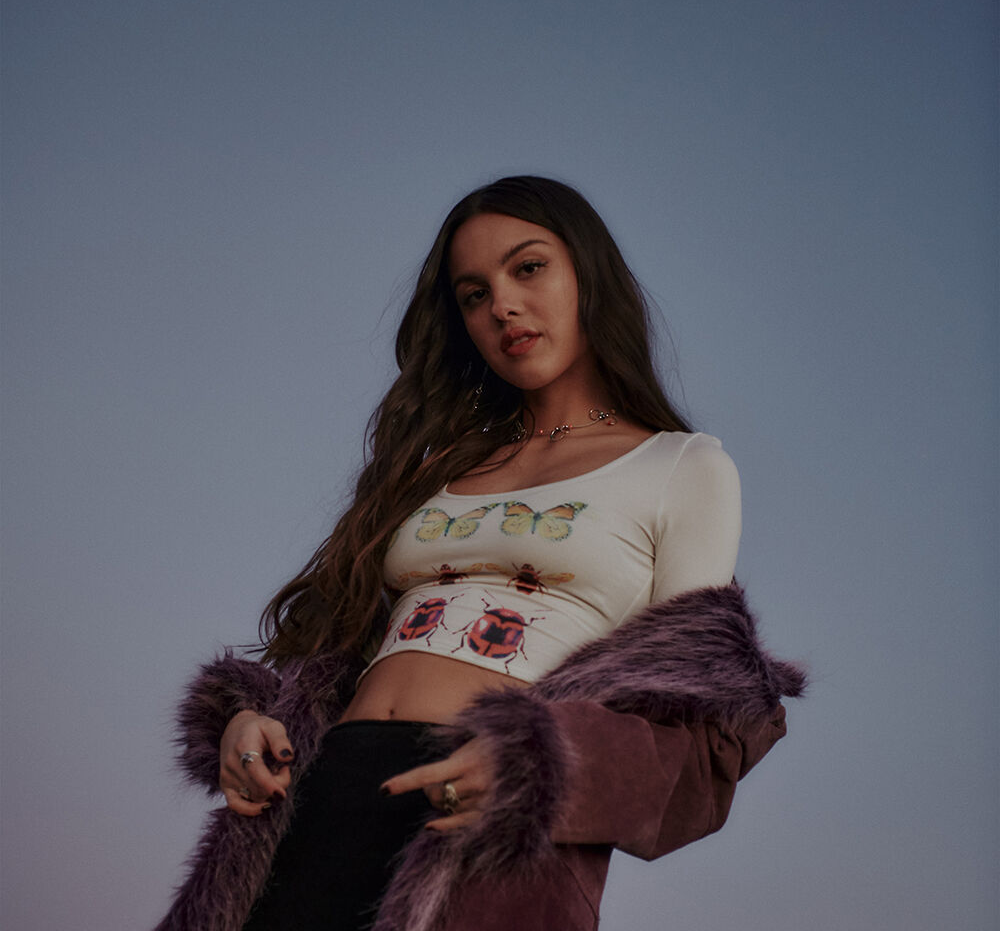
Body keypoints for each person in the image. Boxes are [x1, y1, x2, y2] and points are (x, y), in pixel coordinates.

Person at [155, 176, 805, 931]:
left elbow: (698, 744)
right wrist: (251, 721)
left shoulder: (684, 467)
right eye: (474, 294)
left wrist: (540, 765)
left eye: (528, 268)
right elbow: (336, 652)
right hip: (316, 803)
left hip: (480, 836)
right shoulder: (436, 467)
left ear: (589, 274)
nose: (502, 305)